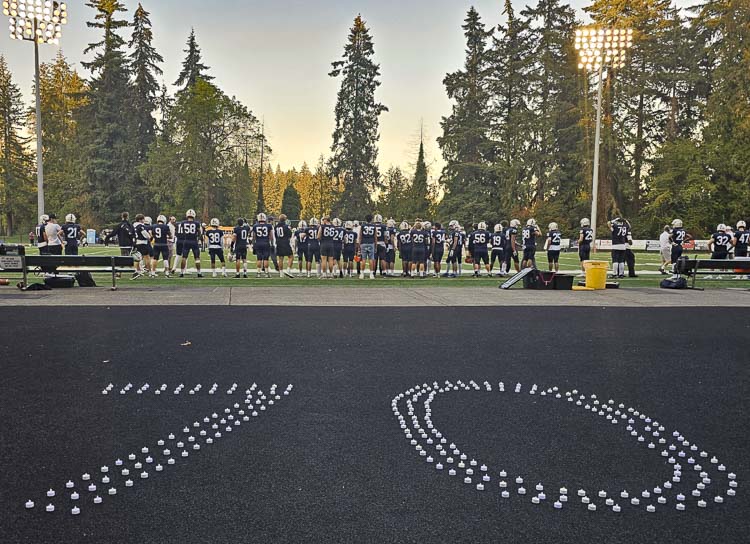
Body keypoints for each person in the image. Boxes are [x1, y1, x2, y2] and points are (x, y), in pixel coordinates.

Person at [178, 209, 203, 278]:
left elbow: (182, 232)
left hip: (186, 241)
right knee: (197, 257)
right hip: (194, 241)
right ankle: (199, 273)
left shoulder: (183, 223)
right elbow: (200, 232)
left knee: (184, 257)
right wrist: (198, 239)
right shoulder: (197, 223)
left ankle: (182, 272)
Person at [252, 213, 275, 278]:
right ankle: (266, 273)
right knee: (266, 259)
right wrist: (272, 244)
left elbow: (254, 237)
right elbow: (271, 236)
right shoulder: (269, 226)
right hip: (266, 243)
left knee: (259, 259)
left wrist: (254, 244)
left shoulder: (255, 226)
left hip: (258, 243)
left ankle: (258, 273)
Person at [133, 214, 152, 279]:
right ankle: (150, 272)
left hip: (136, 242)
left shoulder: (133, 225)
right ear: (140, 220)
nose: (144, 220)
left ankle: (137, 271)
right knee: (147, 257)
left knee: (137, 258)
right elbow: (145, 234)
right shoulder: (140, 226)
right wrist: (149, 237)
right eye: (143, 219)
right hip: (142, 243)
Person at [358, 214, 377, 279]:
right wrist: (376, 245)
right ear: (371, 219)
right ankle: (371, 274)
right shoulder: (373, 226)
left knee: (363, 259)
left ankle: (362, 274)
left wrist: (359, 245)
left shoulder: (363, 226)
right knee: (371, 259)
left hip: (364, 243)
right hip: (371, 243)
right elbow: (375, 237)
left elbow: (360, 236)